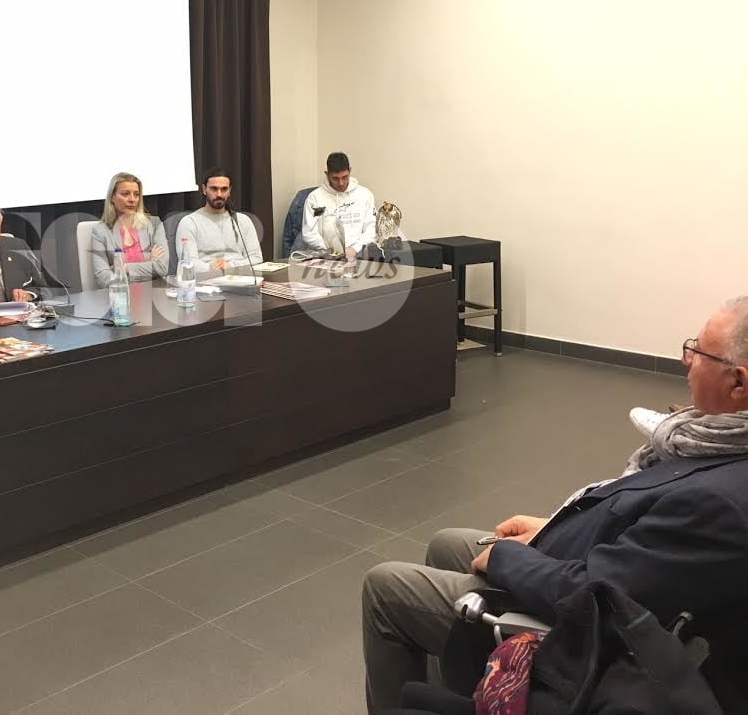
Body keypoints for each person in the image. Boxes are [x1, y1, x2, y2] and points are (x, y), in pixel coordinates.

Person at [360, 296, 748, 712]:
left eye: (698, 352)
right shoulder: (716, 446)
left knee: (384, 587)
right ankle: (465, 690)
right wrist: (551, 526)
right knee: (445, 542)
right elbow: (643, 536)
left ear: (738, 383)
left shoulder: (720, 504)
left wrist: (509, 558)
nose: (686, 360)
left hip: (581, 633)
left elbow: (605, 598)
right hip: (591, 562)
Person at [176, 167, 263, 276]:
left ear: (229, 191)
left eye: (224, 189)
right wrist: (212, 268)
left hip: (240, 278)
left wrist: (230, 266)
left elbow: (256, 258)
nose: (219, 195)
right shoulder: (189, 222)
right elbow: (187, 262)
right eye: (214, 189)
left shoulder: (243, 221)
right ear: (204, 189)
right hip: (206, 278)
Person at [88, 172, 169, 288]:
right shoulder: (100, 231)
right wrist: (149, 266)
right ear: (112, 197)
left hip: (153, 292)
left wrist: (124, 268)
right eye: (125, 194)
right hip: (120, 294)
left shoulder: (154, 224)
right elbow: (103, 279)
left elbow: (162, 268)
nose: (132, 199)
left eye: (136, 194)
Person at [300, 152, 376, 258]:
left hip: (357, 253)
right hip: (326, 254)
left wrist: (355, 249)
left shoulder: (364, 195)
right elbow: (309, 232)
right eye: (335, 178)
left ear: (350, 171)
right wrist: (332, 250)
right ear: (327, 174)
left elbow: (371, 228)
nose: (341, 183)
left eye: (345, 177)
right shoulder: (315, 198)